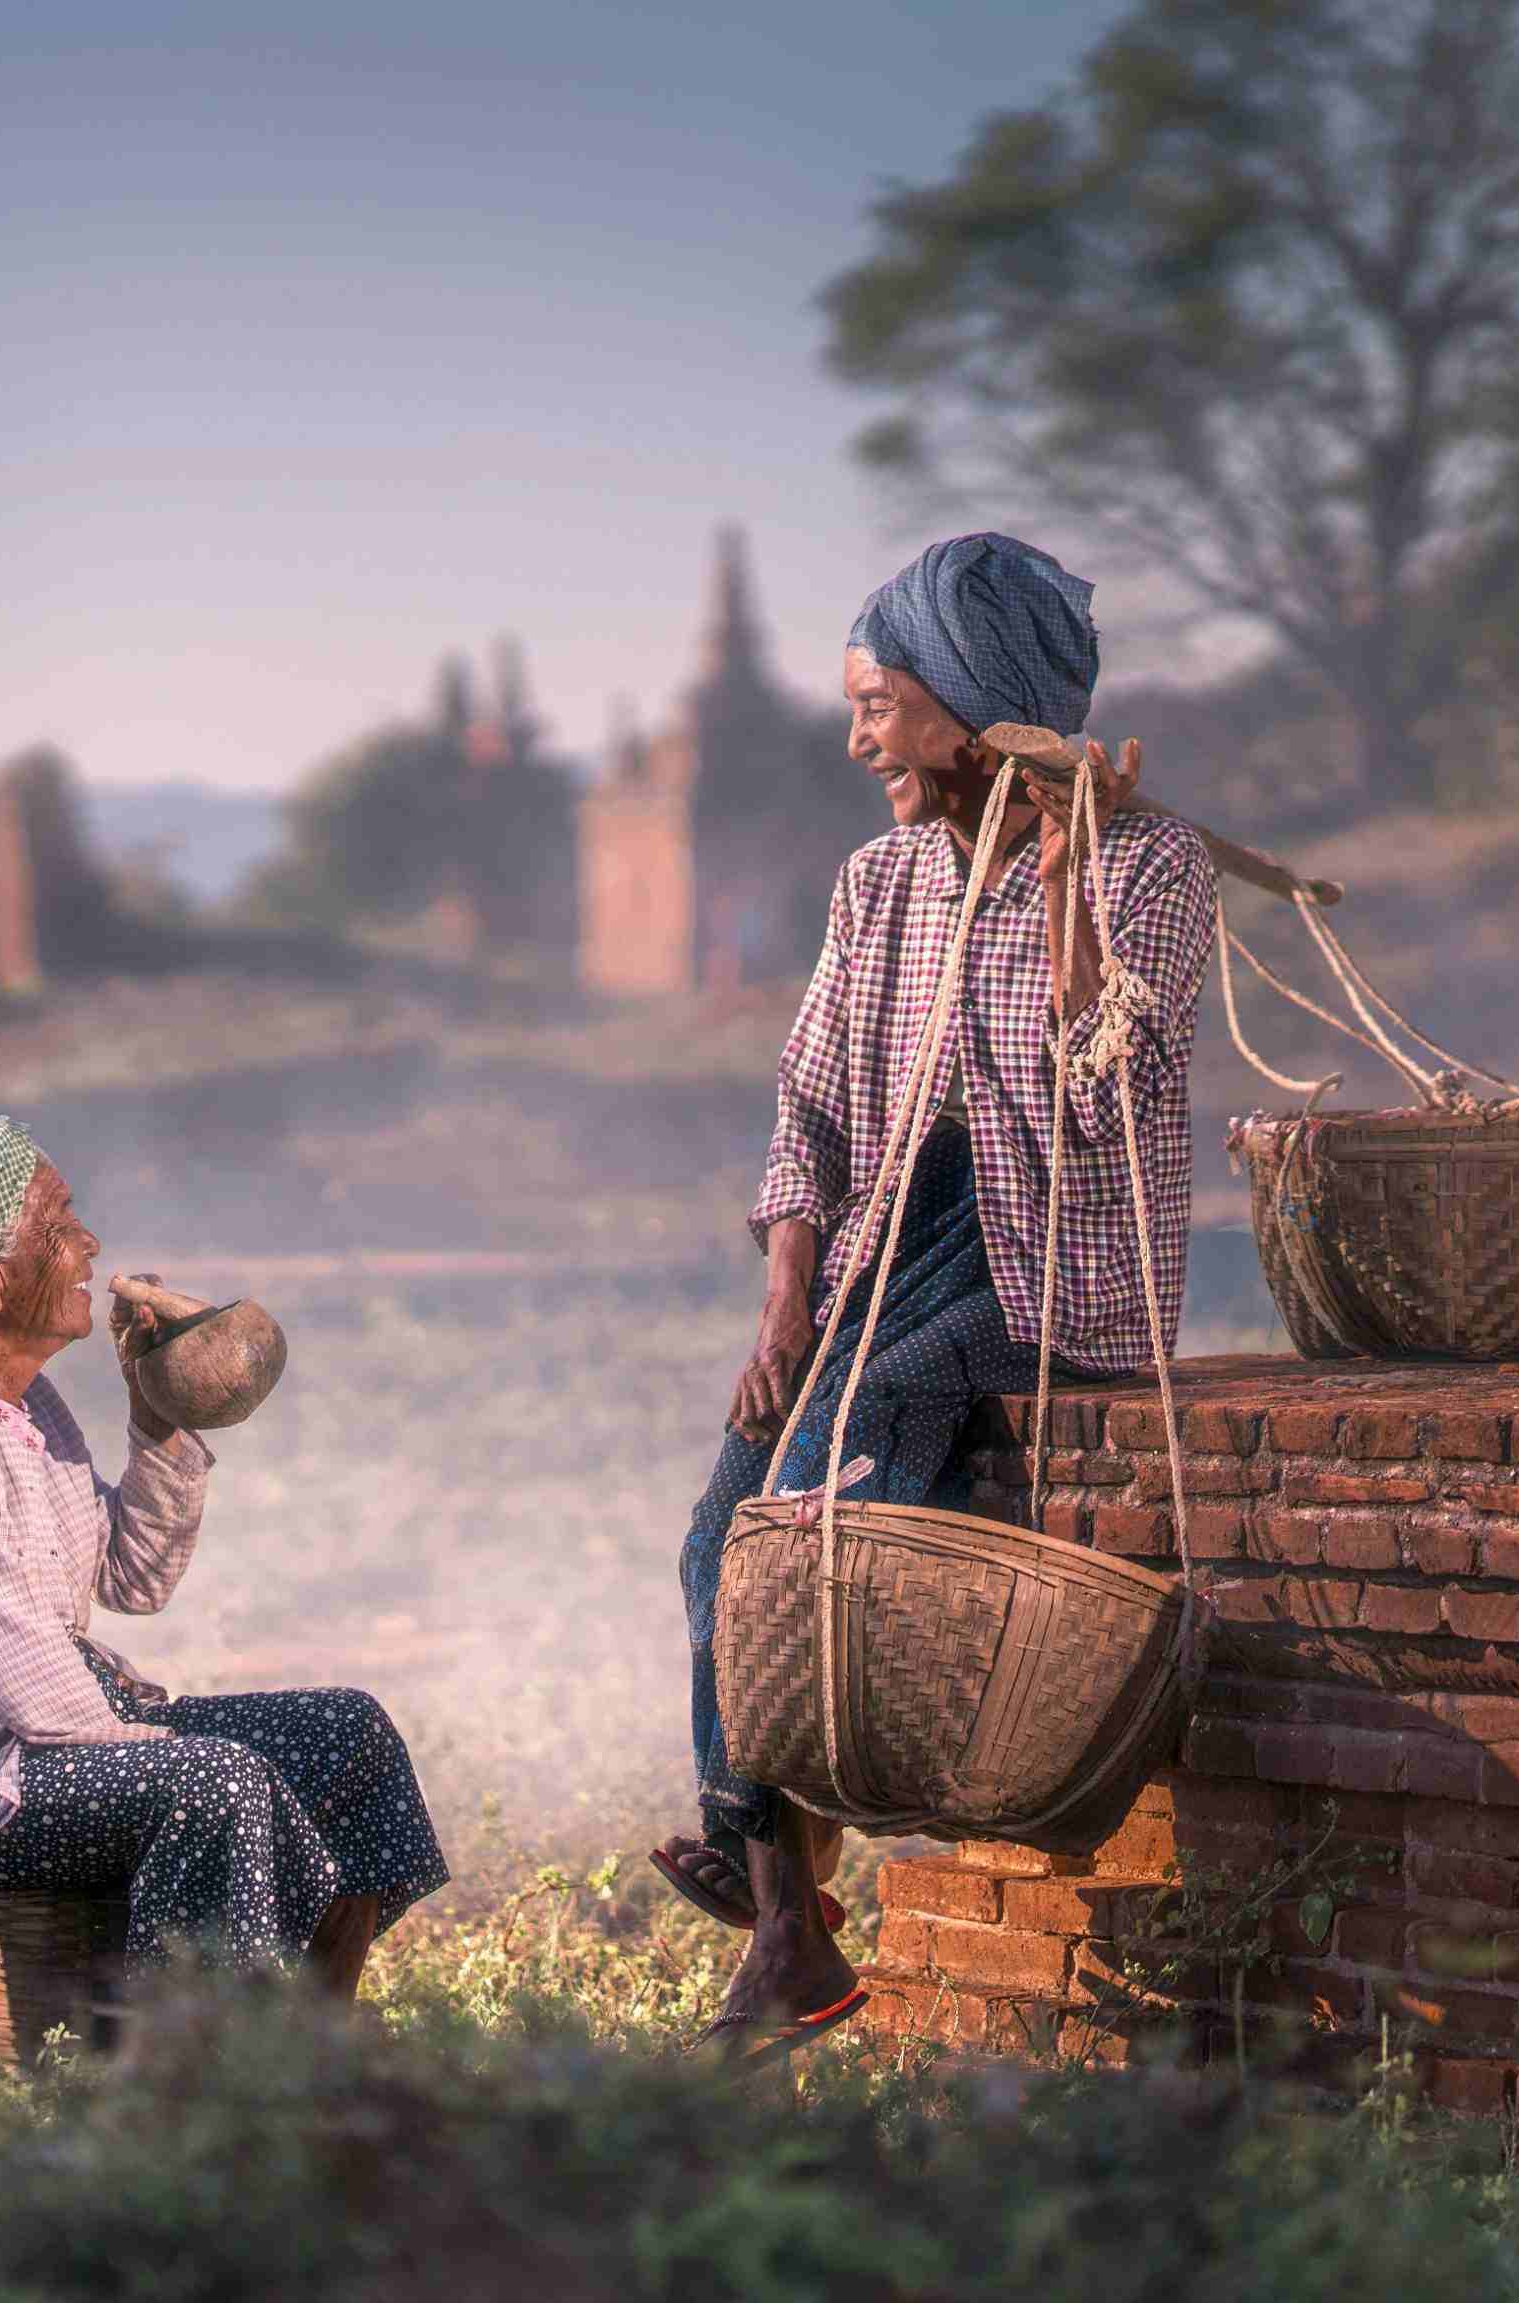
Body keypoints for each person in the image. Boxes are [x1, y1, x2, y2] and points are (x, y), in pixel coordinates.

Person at [653, 533, 1217, 2056]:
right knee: (720, 1530)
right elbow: (813, 1106)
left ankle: (785, 1880)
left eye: (879, 705)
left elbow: (1109, 1093)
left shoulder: (1150, 868)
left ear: (974, 712)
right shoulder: (881, 879)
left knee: (845, 1470)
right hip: (881, 1253)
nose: (858, 739)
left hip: (1039, 1260)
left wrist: (1068, 880)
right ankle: (785, 1911)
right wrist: (784, 1299)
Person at [0, 1101, 445, 1989]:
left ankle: (311, 2042)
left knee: (348, 1733)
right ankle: (186, 2072)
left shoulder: (27, 1406)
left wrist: (157, 1411)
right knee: (217, 1781)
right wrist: (153, 1740)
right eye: (57, 1225)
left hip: (38, 1740)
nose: (88, 1244)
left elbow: (133, 1577)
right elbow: (24, 1678)